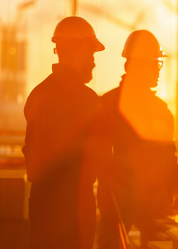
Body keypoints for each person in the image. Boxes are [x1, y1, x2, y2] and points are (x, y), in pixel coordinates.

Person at [23, 16, 113, 249]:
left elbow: (31, 154)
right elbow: (104, 157)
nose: (94, 62)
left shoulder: (37, 95)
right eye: (92, 54)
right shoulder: (88, 102)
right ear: (82, 48)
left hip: (41, 206)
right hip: (76, 209)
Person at [97, 30, 178, 249]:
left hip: (153, 196)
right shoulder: (109, 106)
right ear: (136, 66)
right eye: (154, 64)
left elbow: (168, 151)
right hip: (119, 196)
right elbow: (96, 153)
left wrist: (176, 186)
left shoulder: (160, 110)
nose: (158, 70)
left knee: (161, 244)